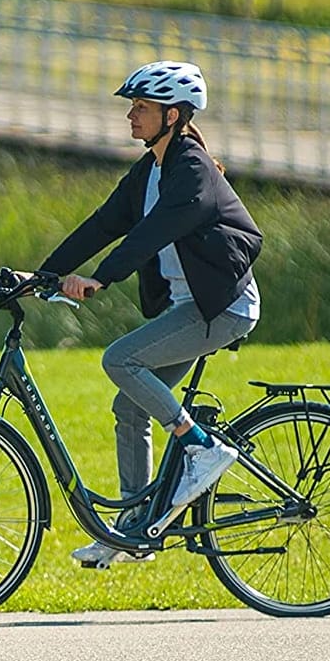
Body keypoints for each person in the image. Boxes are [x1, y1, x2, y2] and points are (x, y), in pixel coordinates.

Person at [37, 60, 263, 567]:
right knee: (129, 406)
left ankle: (200, 446)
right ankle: (133, 529)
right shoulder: (150, 171)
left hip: (221, 307)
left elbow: (152, 233)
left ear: (174, 115)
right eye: (132, 107)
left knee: (120, 360)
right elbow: (102, 225)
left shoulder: (192, 171)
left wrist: (102, 277)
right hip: (192, 306)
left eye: (142, 107)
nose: (131, 116)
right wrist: (43, 275)